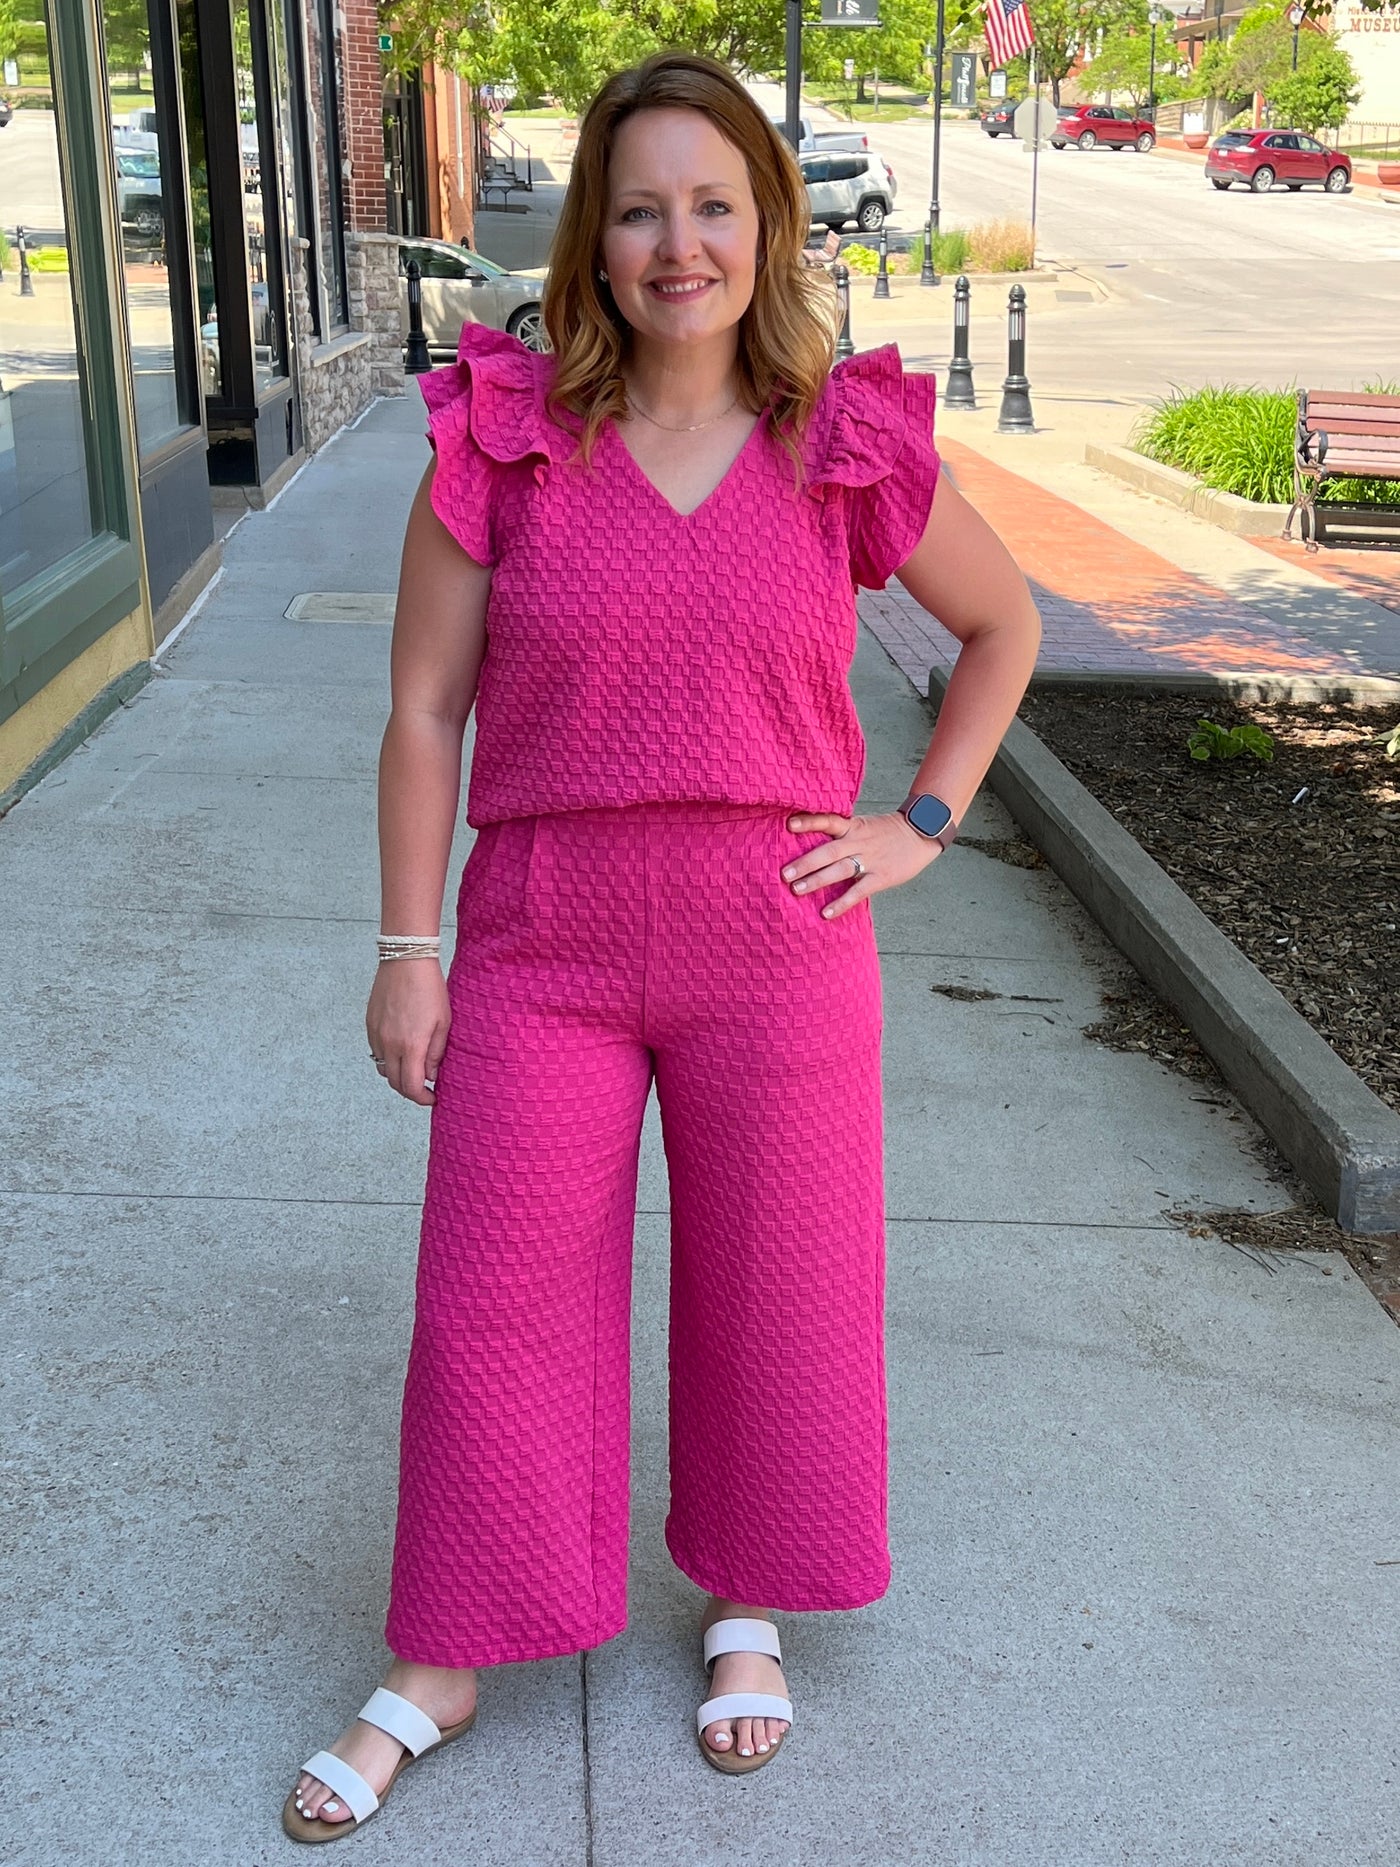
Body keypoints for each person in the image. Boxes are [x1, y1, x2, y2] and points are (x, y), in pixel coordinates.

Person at [283, 49, 1040, 1842]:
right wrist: (409, 944)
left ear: (768, 224)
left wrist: (916, 824)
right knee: (493, 1298)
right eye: (640, 208)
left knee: (777, 1289)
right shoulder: (510, 432)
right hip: (543, 941)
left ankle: (747, 1599)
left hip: (776, 945)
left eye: (715, 204)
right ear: (592, 238)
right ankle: (450, 1653)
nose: (677, 243)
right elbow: (420, 712)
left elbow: (1003, 629)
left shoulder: (840, 442)